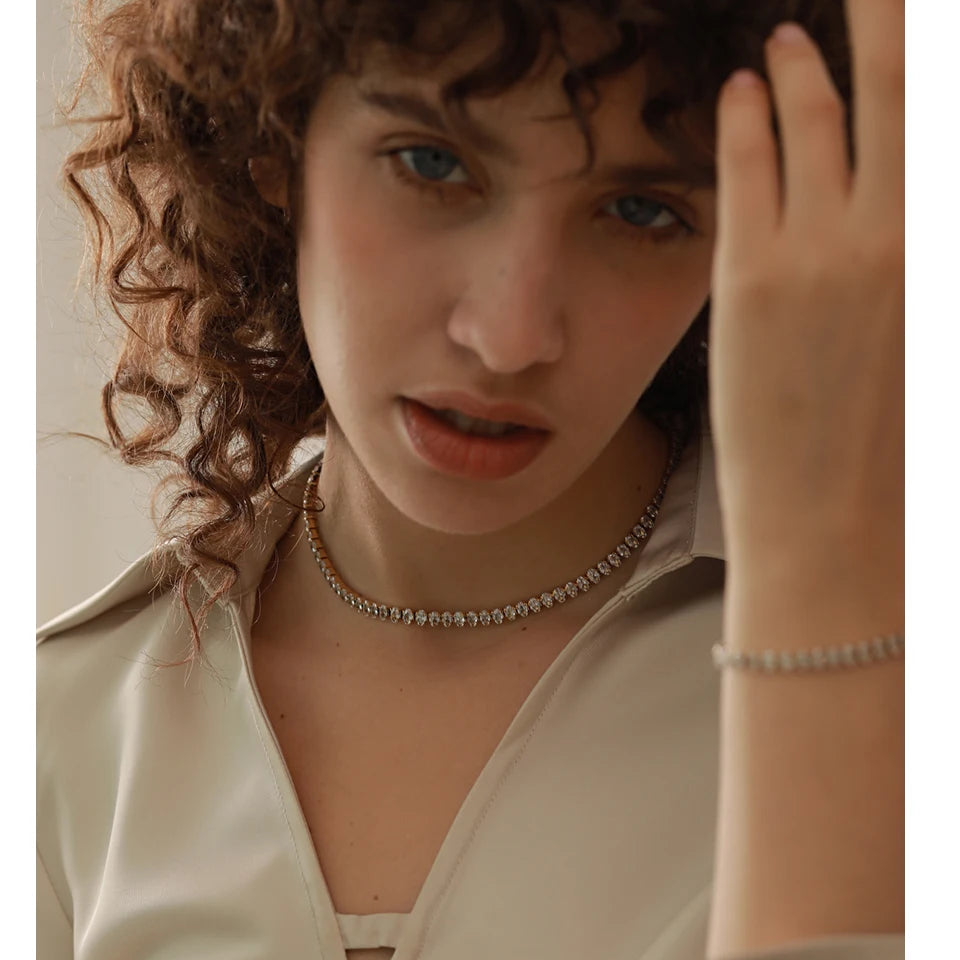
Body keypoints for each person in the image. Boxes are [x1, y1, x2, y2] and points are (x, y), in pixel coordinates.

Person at [37, 1, 904, 958]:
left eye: (642, 211)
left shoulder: (896, 676)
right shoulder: (62, 729)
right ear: (269, 141)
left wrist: (824, 603)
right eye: (432, 163)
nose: (509, 337)